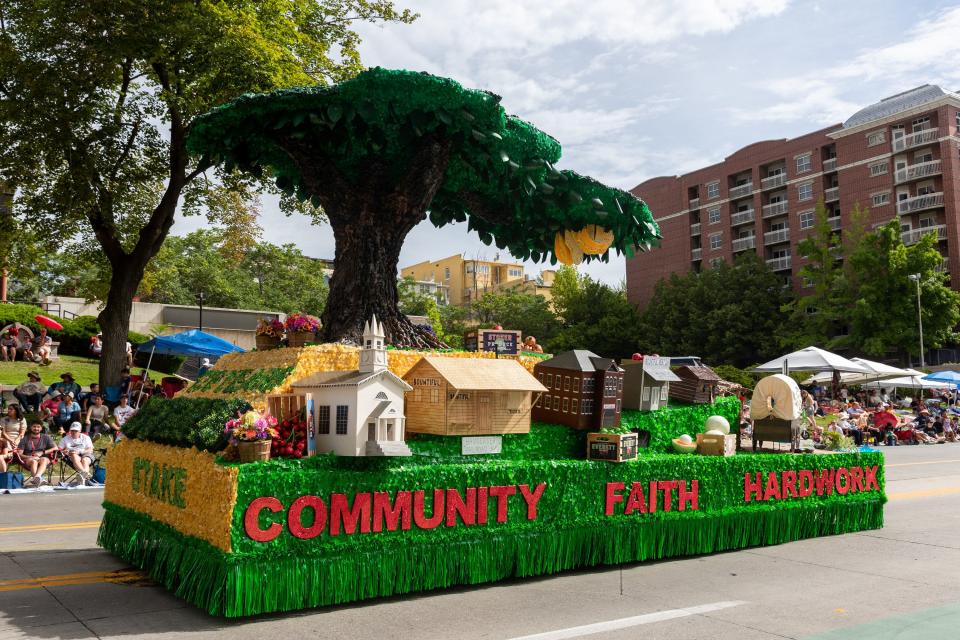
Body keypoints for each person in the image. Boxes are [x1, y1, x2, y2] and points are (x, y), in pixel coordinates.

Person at [15, 421, 57, 487]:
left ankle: (36, 477)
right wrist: (30, 457)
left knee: (44, 459)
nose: (36, 428)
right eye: (34, 426)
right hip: (29, 459)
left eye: (38, 427)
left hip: (42, 458)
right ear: (30, 427)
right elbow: (19, 454)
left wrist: (42, 452)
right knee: (33, 461)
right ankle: (38, 480)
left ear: (41, 428)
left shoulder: (46, 437)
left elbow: (55, 448)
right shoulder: (25, 439)